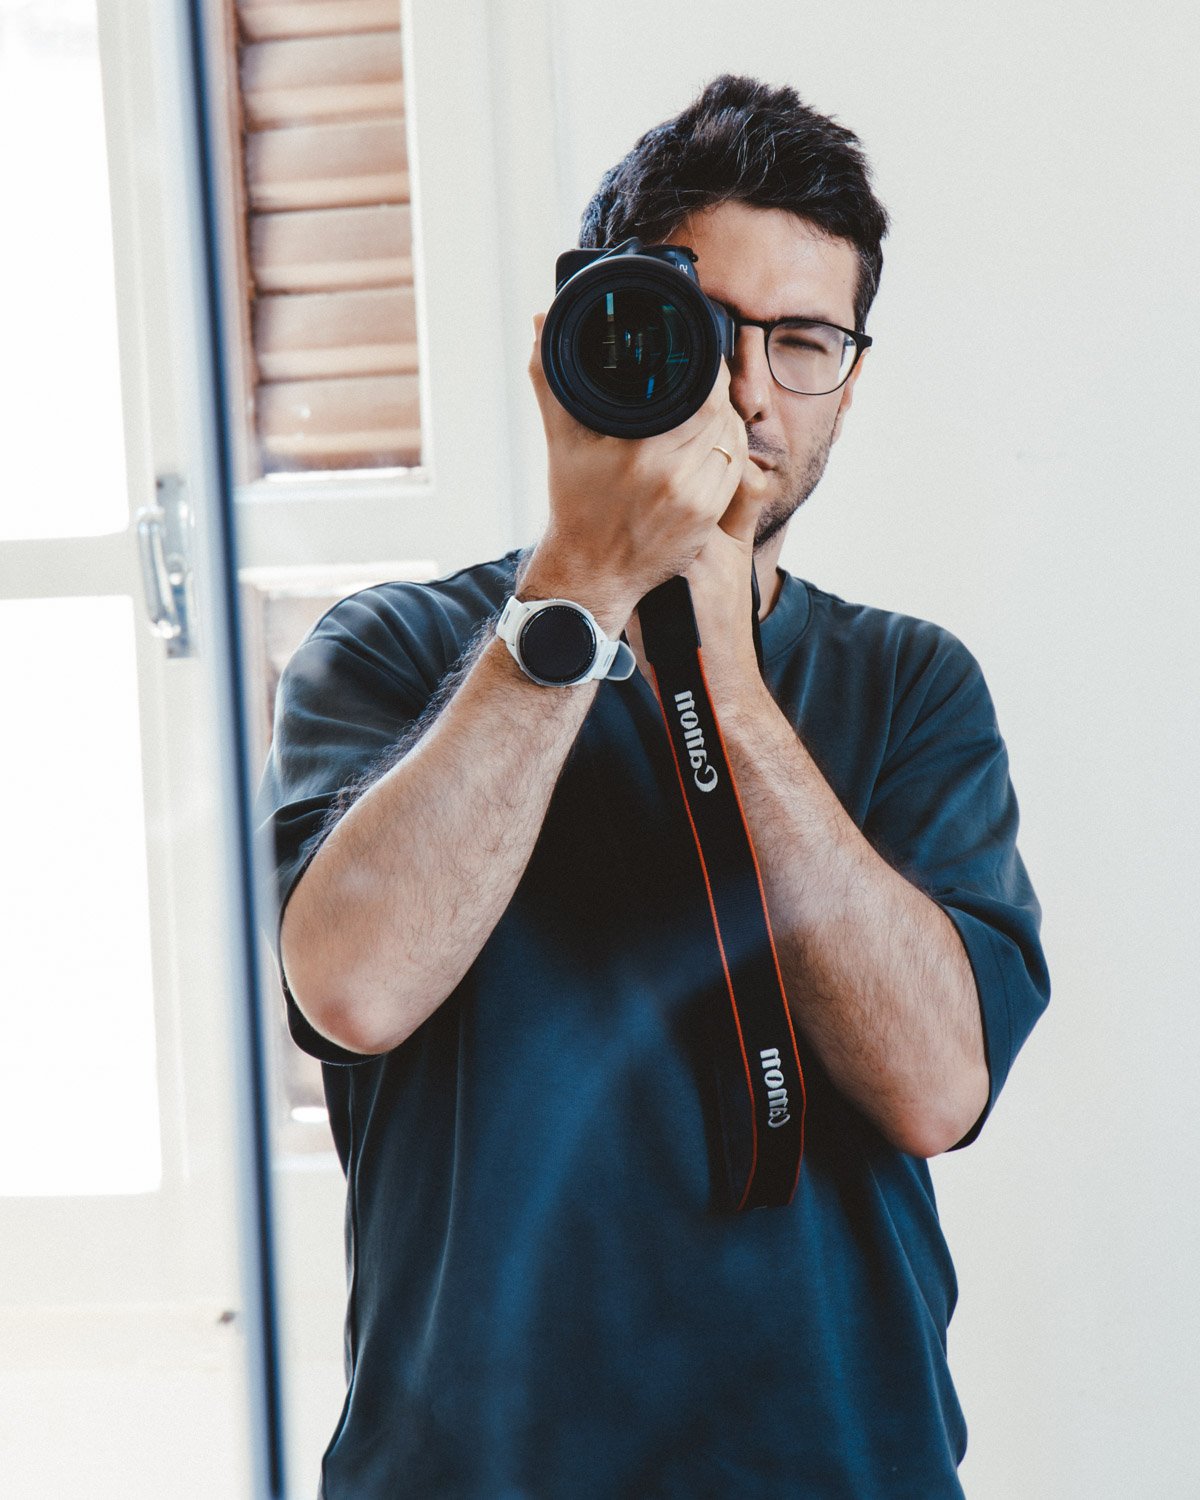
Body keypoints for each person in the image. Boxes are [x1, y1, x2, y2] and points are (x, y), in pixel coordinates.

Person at [256, 74, 1049, 1499]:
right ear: (601, 339)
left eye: (803, 341)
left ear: (850, 380)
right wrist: (586, 583)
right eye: (711, 333)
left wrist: (722, 672)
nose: (751, 392)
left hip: (835, 1465)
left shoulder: (912, 688)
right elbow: (353, 988)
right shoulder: (391, 652)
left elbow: (938, 1085)